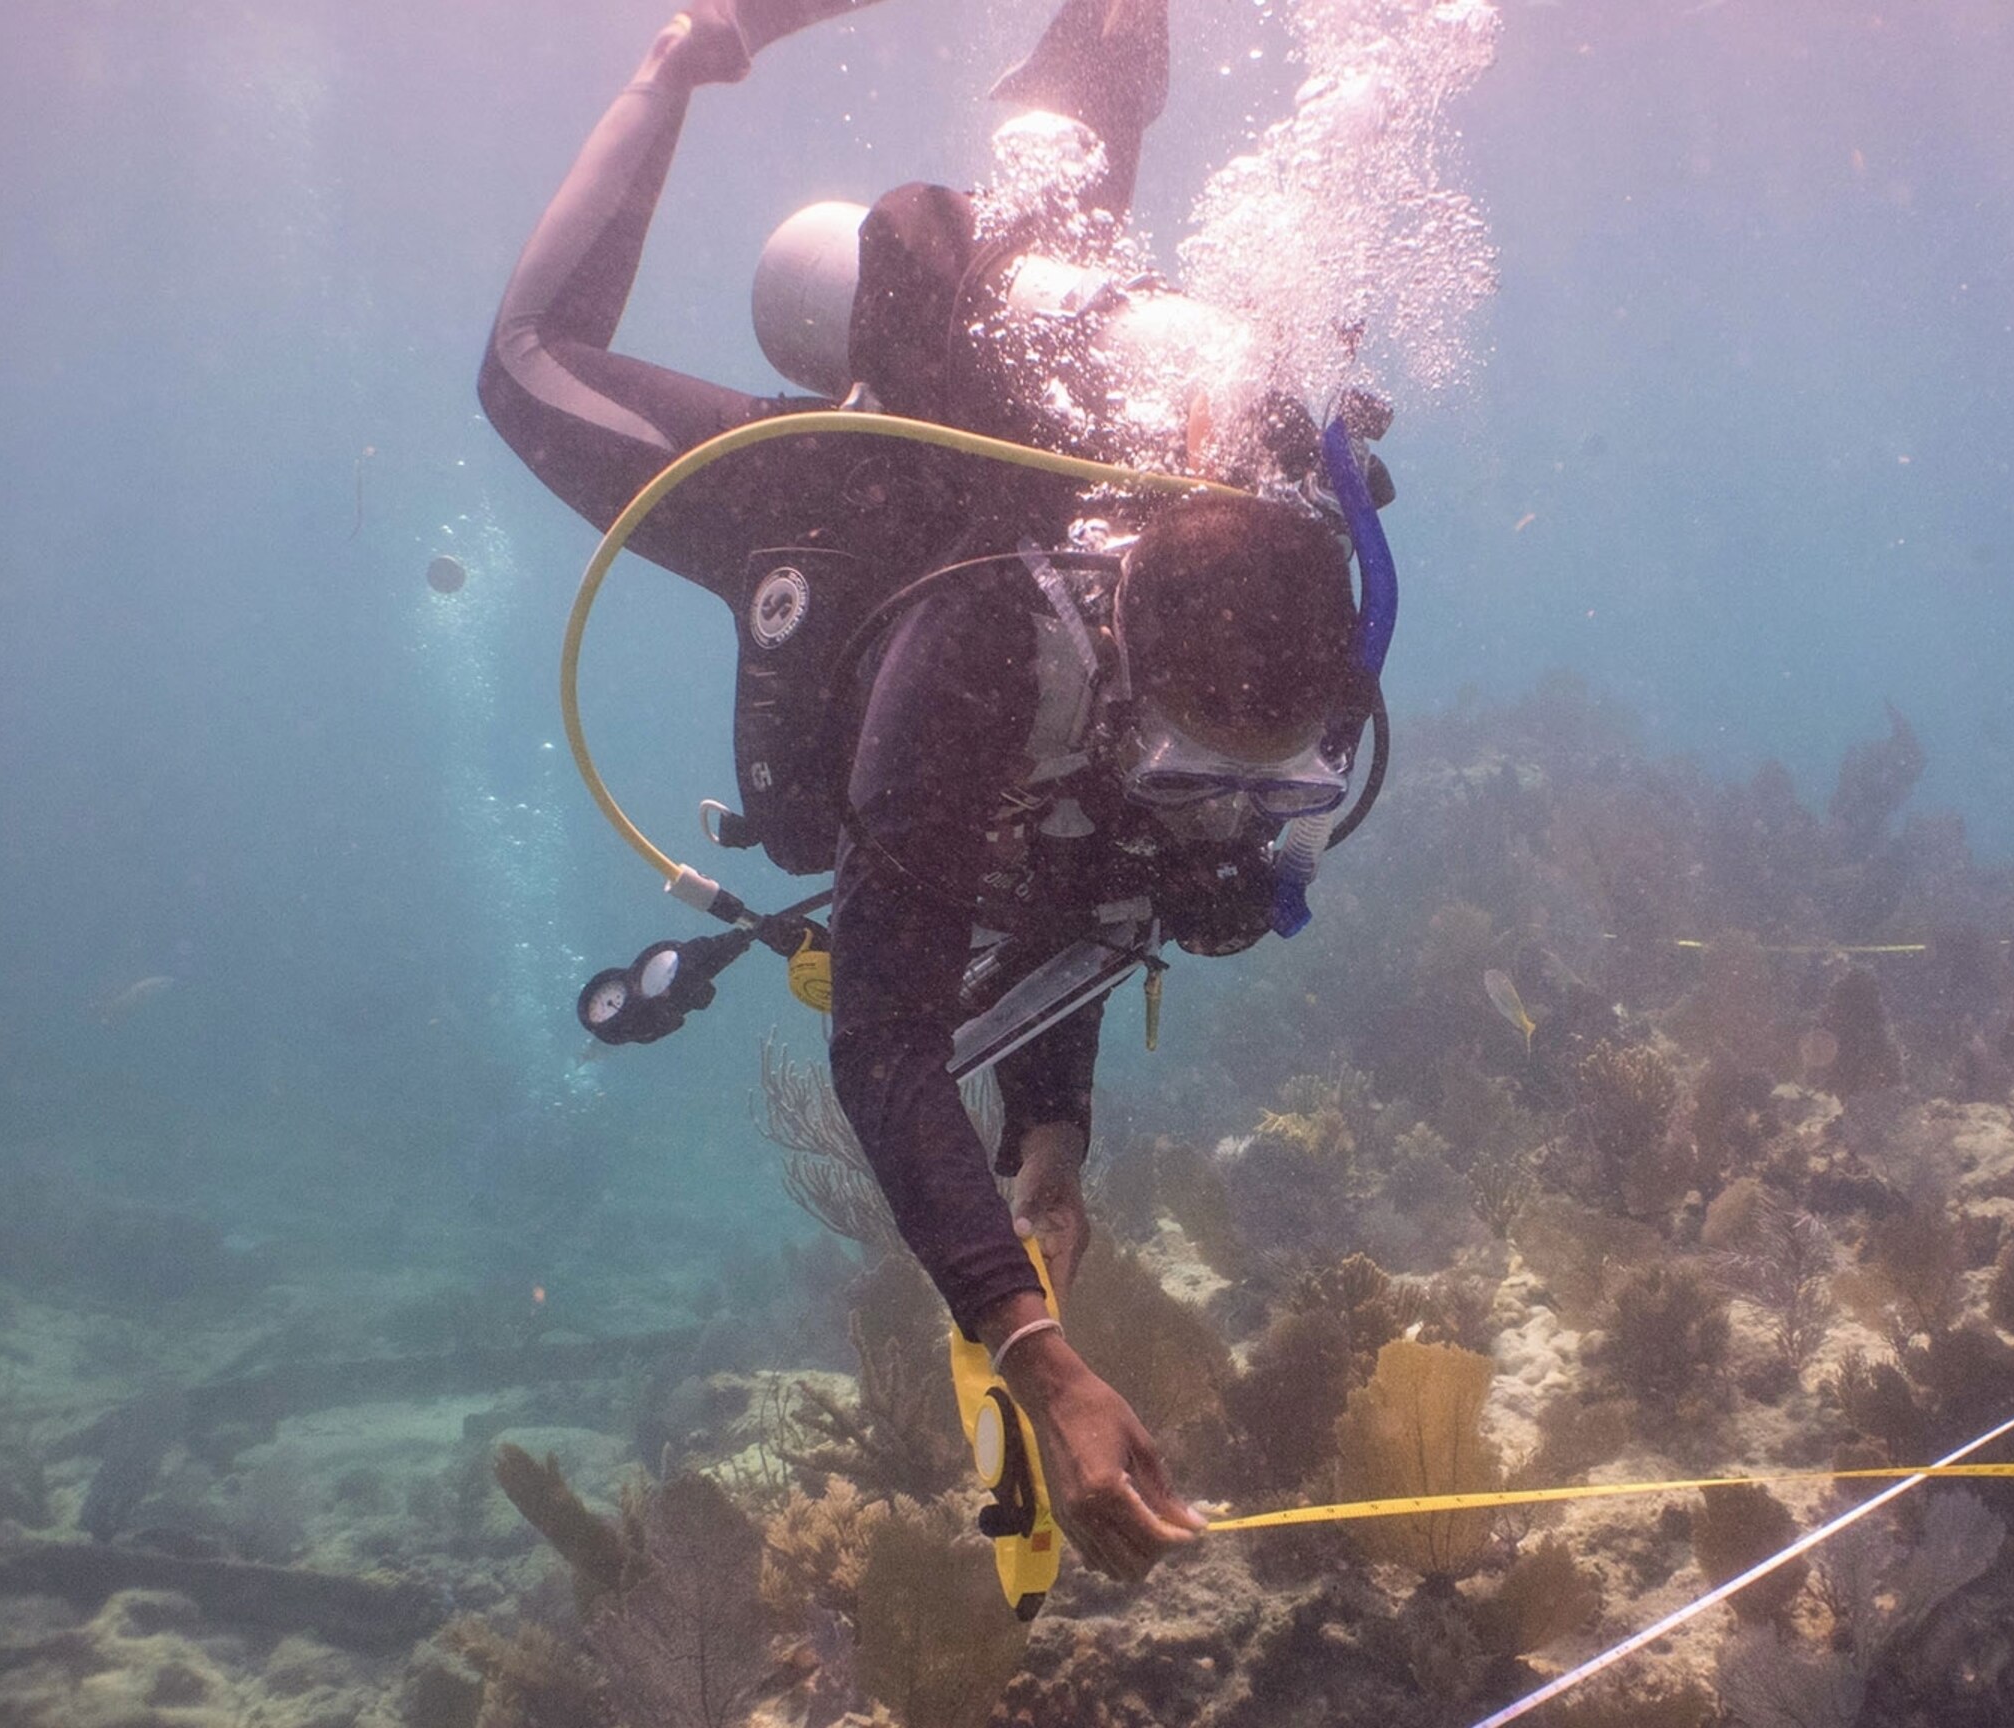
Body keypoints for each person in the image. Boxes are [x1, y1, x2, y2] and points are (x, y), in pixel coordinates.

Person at [480, 0, 1386, 1582]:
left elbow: (1091, 855)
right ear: (1115, 646)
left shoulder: (1280, 626)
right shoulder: (982, 646)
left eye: (1278, 774)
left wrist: (1053, 1141)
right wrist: (1039, 1355)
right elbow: (887, 1046)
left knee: (1077, 154)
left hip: (1075, 415)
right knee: (526, 369)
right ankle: (682, 54)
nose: (1224, 799)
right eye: (1189, 756)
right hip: (870, 514)